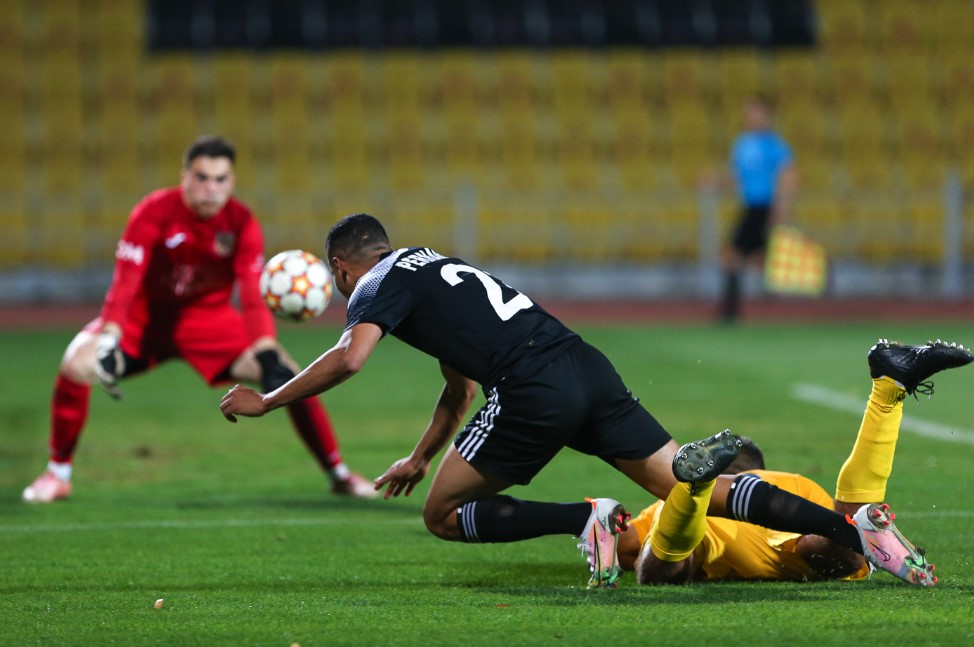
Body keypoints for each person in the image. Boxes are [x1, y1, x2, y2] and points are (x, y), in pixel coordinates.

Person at [219, 213, 945, 588]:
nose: (346, 296)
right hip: (584, 362)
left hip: (533, 385)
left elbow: (351, 358)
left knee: (440, 516)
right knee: (697, 486)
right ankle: (858, 531)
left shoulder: (375, 285)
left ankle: (586, 516)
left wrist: (270, 399)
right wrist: (418, 453)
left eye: (340, 283)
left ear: (344, 267)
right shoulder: (434, 266)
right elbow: (457, 387)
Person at [22, 136, 374, 504]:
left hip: (211, 323)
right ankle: (57, 474)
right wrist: (110, 334)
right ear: (185, 177)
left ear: (231, 182)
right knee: (76, 363)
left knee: (294, 376)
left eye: (220, 179)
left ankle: (339, 474)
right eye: (202, 177)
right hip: (145, 322)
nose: (211, 188)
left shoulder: (240, 223)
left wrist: (267, 350)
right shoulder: (153, 211)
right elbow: (125, 279)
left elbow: (252, 297)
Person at [618, 339, 972, 586]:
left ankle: (695, 490)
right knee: (844, 545)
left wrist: (599, 539)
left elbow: (625, 546)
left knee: (661, 569)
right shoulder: (794, 483)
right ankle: (887, 390)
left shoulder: (658, 503)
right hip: (784, 508)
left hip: (691, 518)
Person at [718, 93, 799, 323]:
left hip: (764, 207)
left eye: (756, 112)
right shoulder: (742, 144)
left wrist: (783, 206)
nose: (751, 117)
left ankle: (731, 313)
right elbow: (737, 177)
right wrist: (716, 180)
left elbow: (789, 175)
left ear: (767, 116)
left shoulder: (774, 145)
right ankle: (739, 311)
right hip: (749, 206)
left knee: (734, 256)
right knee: (747, 258)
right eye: (749, 112)